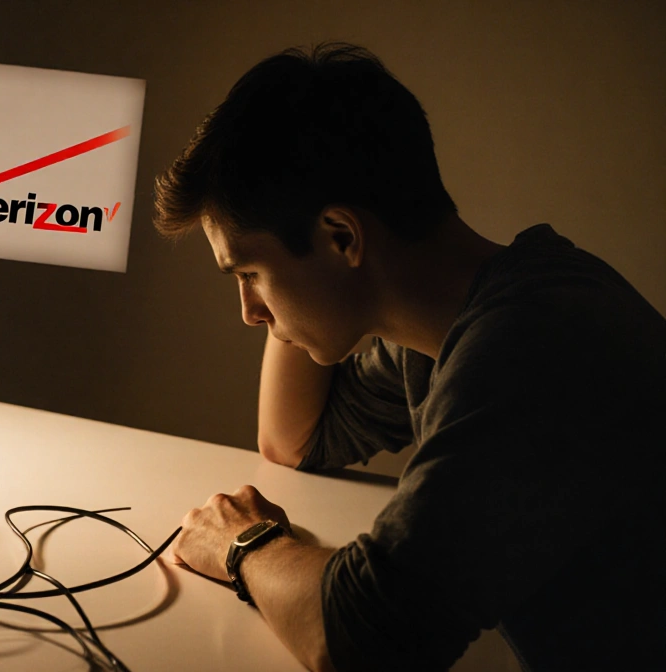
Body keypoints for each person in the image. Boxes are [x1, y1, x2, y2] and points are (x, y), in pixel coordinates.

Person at [155, 43, 666, 671]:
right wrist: (294, 284)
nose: (249, 312)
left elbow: (365, 640)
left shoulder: (526, 352)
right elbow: (294, 439)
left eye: (251, 274)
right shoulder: (446, 327)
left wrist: (245, 544)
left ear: (342, 237)